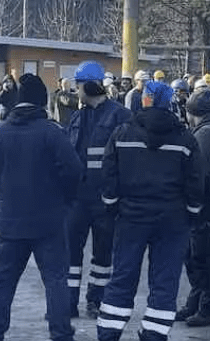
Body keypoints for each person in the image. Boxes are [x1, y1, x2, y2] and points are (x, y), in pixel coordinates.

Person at [0, 73, 83, 341]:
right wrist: (64, 200)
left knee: (1, 279)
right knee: (55, 280)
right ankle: (60, 333)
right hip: (49, 221)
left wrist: (1, 195)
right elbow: (74, 171)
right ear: (42, 102)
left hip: (10, 220)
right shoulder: (53, 134)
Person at [96, 81, 204, 341]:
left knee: (122, 277)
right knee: (165, 281)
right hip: (172, 219)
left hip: (131, 217)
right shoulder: (185, 139)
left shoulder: (122, 134)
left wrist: (112, 206)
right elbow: (195, 182)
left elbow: (108, 174)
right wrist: (193, 212)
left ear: (144, 100)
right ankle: (155, 335)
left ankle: (109, 333)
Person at [66, 61, 133, 318]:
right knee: (70, 254)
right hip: (77, 199)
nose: (77, 90)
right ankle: (68, 302)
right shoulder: (77, 116)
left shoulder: (120, 116)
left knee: (103, 255)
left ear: (91, 85)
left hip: (106, 199)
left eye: (79, 85)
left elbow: (128, 159)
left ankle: (96, 301)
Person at [175, 89, 210, 326]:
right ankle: (195, 302)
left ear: (192, 112)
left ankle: (207, 306)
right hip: (208, 202)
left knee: (201, 255)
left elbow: (198, 172)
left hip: (202, 204)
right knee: (195, 253)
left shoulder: (204, 134)